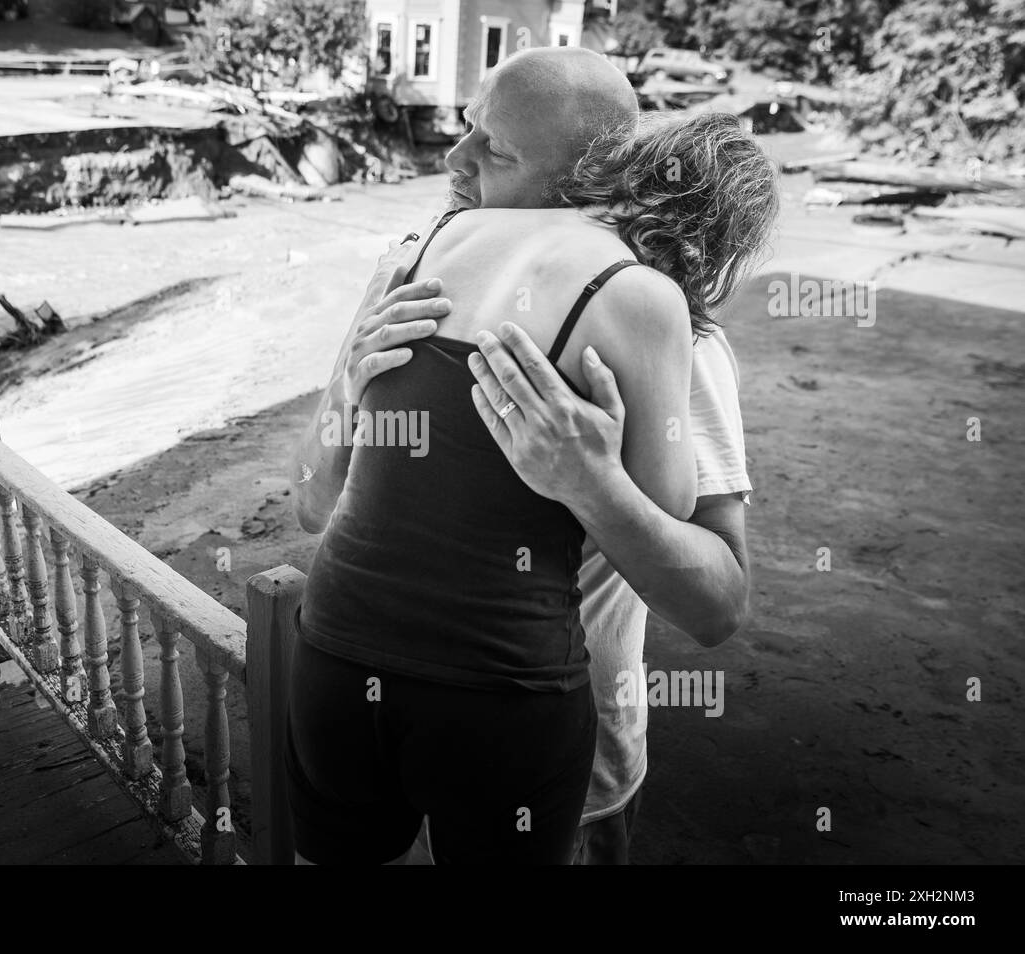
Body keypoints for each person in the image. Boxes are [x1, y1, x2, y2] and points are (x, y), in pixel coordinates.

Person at [291, 48, 777, 863]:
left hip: (570, 752)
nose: (455, 159)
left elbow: (717, 606)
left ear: (588, 178)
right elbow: (313, 506)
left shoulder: (680, 339)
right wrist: (348, 388)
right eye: (468, 128)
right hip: (430, 699)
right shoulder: (408, 274)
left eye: (497, 150)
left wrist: (589, 485)